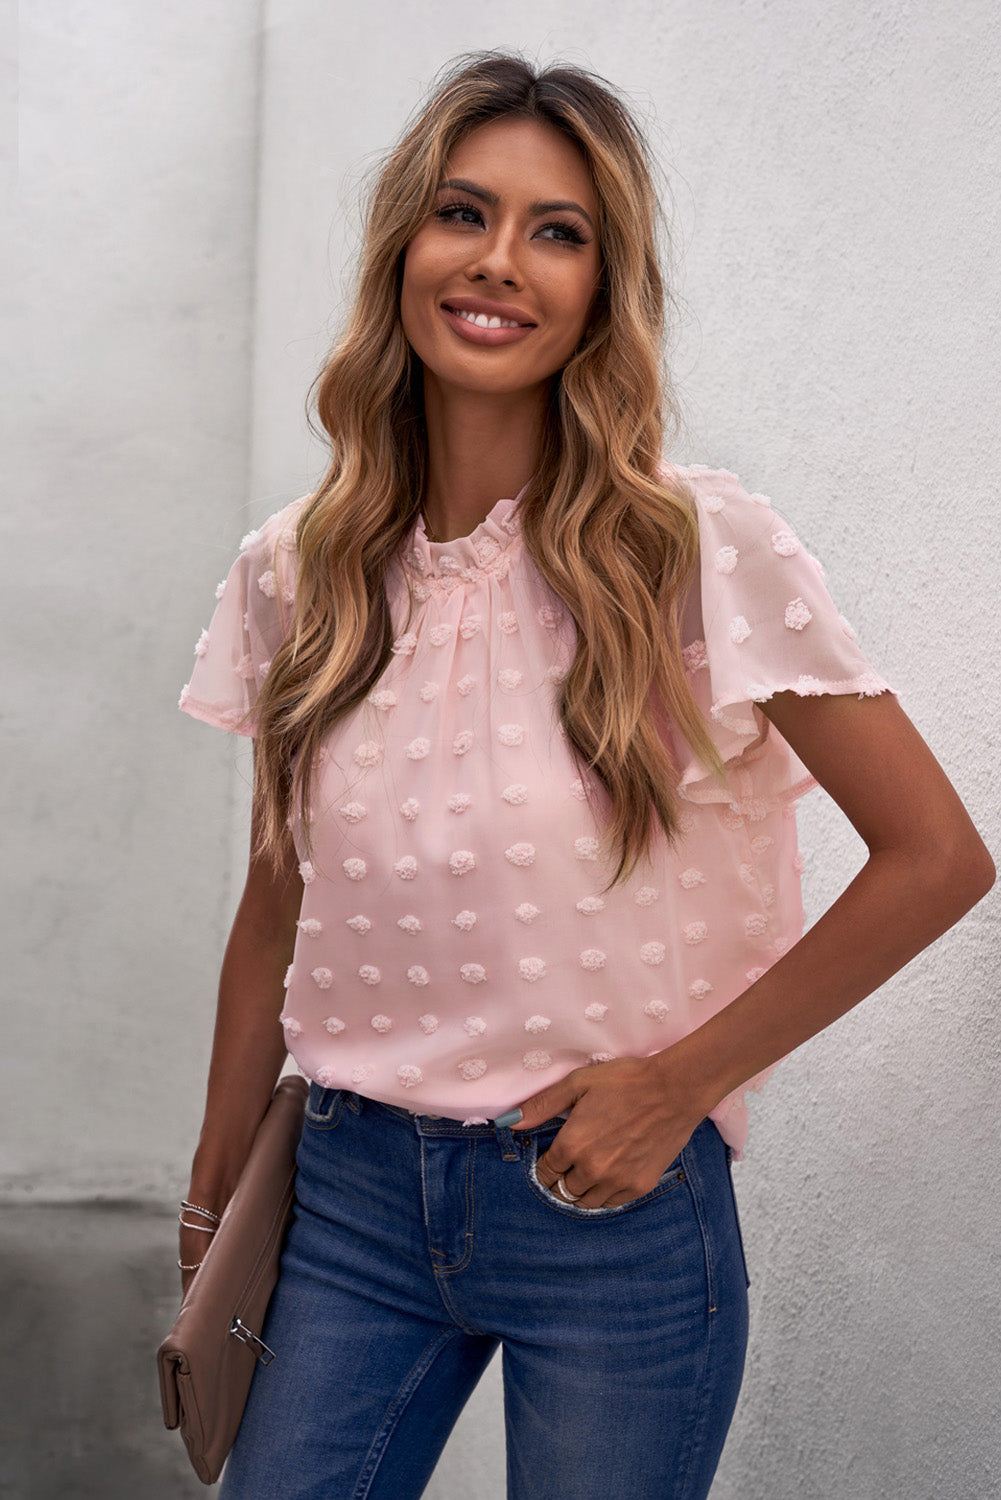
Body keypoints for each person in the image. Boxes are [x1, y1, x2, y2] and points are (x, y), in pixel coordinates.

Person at [174, 50, 994, 1500]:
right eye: (461, 213)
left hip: (606, 1202)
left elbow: (936, 858)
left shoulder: (693, 551)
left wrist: (681, 1085)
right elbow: (276, 901)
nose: (498, 262)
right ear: (400, 250)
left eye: (558, 233)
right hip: (347, 1203)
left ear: (601, 289)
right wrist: (212, 1193)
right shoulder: (298, 571)